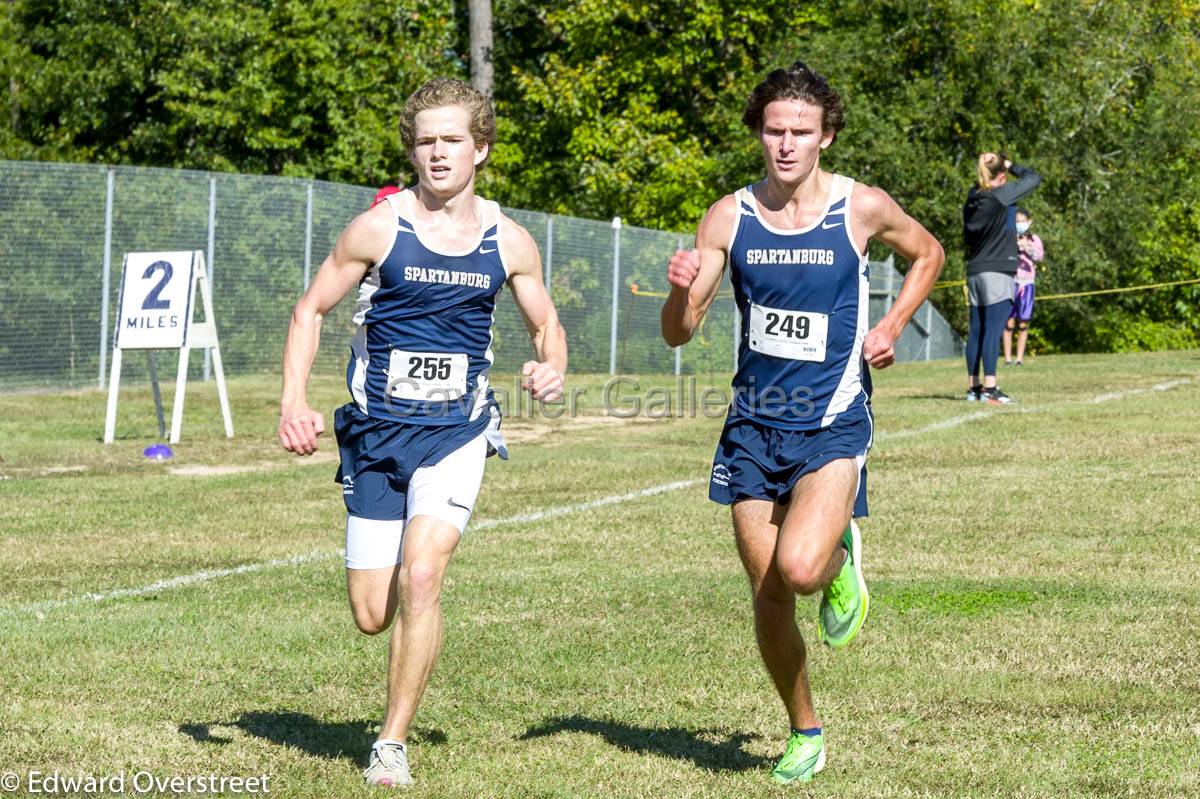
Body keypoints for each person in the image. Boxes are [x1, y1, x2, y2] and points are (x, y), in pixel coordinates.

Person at [277, 77, 566, 788]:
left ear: (481, 148)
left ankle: (391, 742)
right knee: (372, 613)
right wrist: (293, 401)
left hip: (456, 432)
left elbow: (546, 324)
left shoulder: (508, 239)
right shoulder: (380, 228)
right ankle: (398, 667)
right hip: (376, 437)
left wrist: (550, 367)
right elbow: (310, 310)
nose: (438, 154)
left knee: (425, 571)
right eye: (426, 141)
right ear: (412, 149)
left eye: (452, 140)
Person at [660, 61, 943, 785]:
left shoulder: (861, 208)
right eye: (774, 130)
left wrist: (893, 323)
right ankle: (804, 728)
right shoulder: (730, 216)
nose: (786, 144)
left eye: (801, 132)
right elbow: (678, 334)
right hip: (754, 427)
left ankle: (840, 553)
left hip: (831, 419)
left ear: (826, 136)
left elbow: (929, 252)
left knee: (802, 567)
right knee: (771, 595)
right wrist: (684, 290)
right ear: (759, 133)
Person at [962, 153, 1041, 403]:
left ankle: (973, 388)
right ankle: (990, 389)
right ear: (1002, 176)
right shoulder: (1000, 196)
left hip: (975, 270)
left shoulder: (973, 197)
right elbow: (1033, 178)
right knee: (993, 331)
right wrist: (1008, 162)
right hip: (997, 271)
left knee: (976, 330)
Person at [1003, 207, 1044, 365]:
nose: (1020, 224)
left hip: (1027, 284)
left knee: (1023, 322)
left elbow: (1039, 257)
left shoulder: (1034, 239)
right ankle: (1007, 358)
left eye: (1022, 221)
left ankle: (1019, 358)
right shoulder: (1009, 238)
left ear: (1029, 222)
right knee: (1008, 321)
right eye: (1017, 221)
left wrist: (1027, 247)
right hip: (1012, 281)